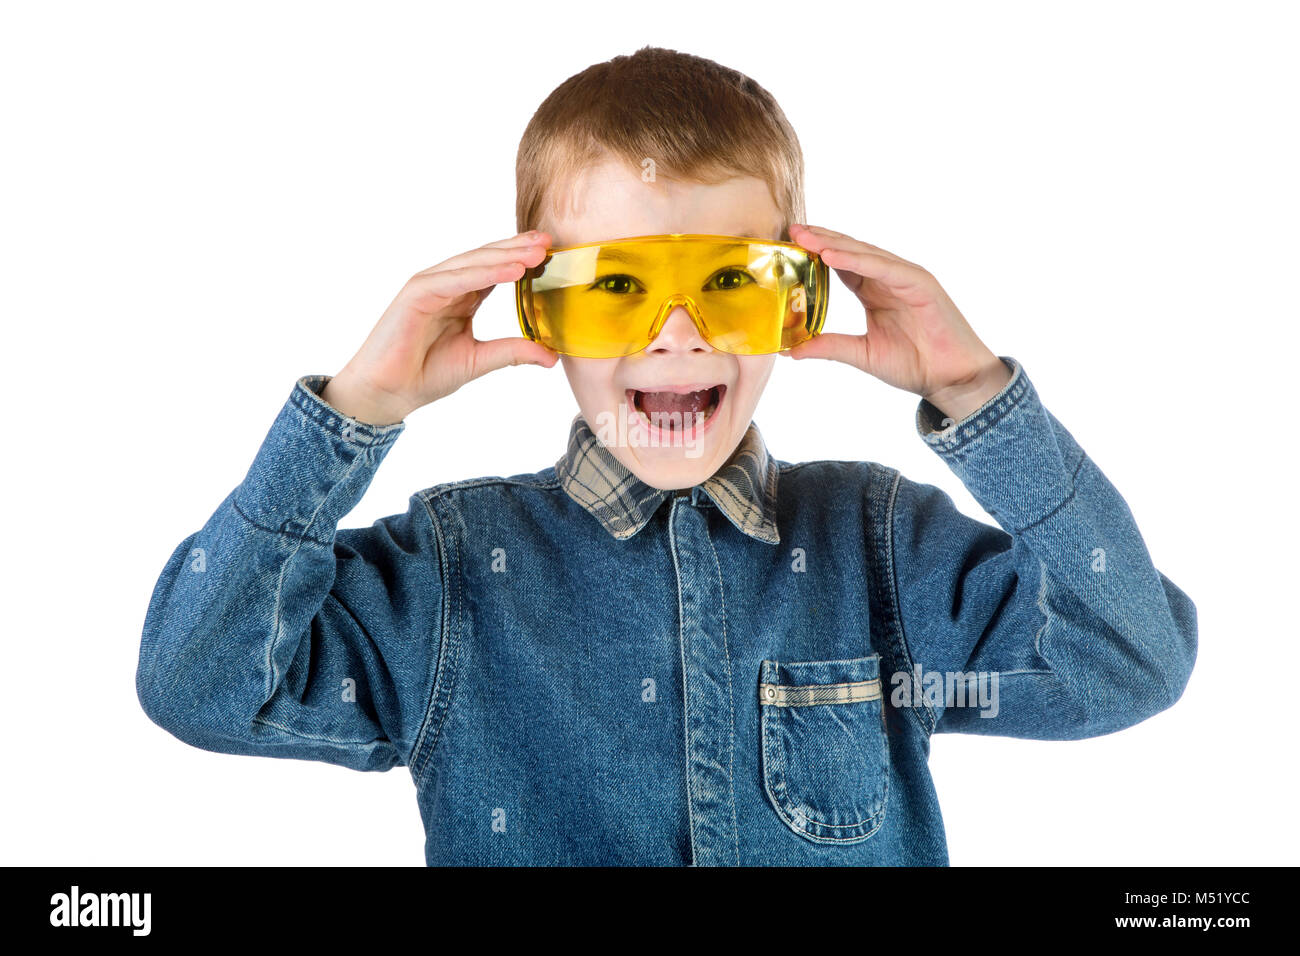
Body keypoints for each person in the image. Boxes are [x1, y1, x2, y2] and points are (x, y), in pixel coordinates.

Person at [136, 46, 1197, 865]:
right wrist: (353, 411)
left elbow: (1126, 662)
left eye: (730, 280)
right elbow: (201, 681)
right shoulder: (451, 572)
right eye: (616, 286)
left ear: (798, 299)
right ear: (536, 310)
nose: (677, 335)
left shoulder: (884, 547)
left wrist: (976, 396)